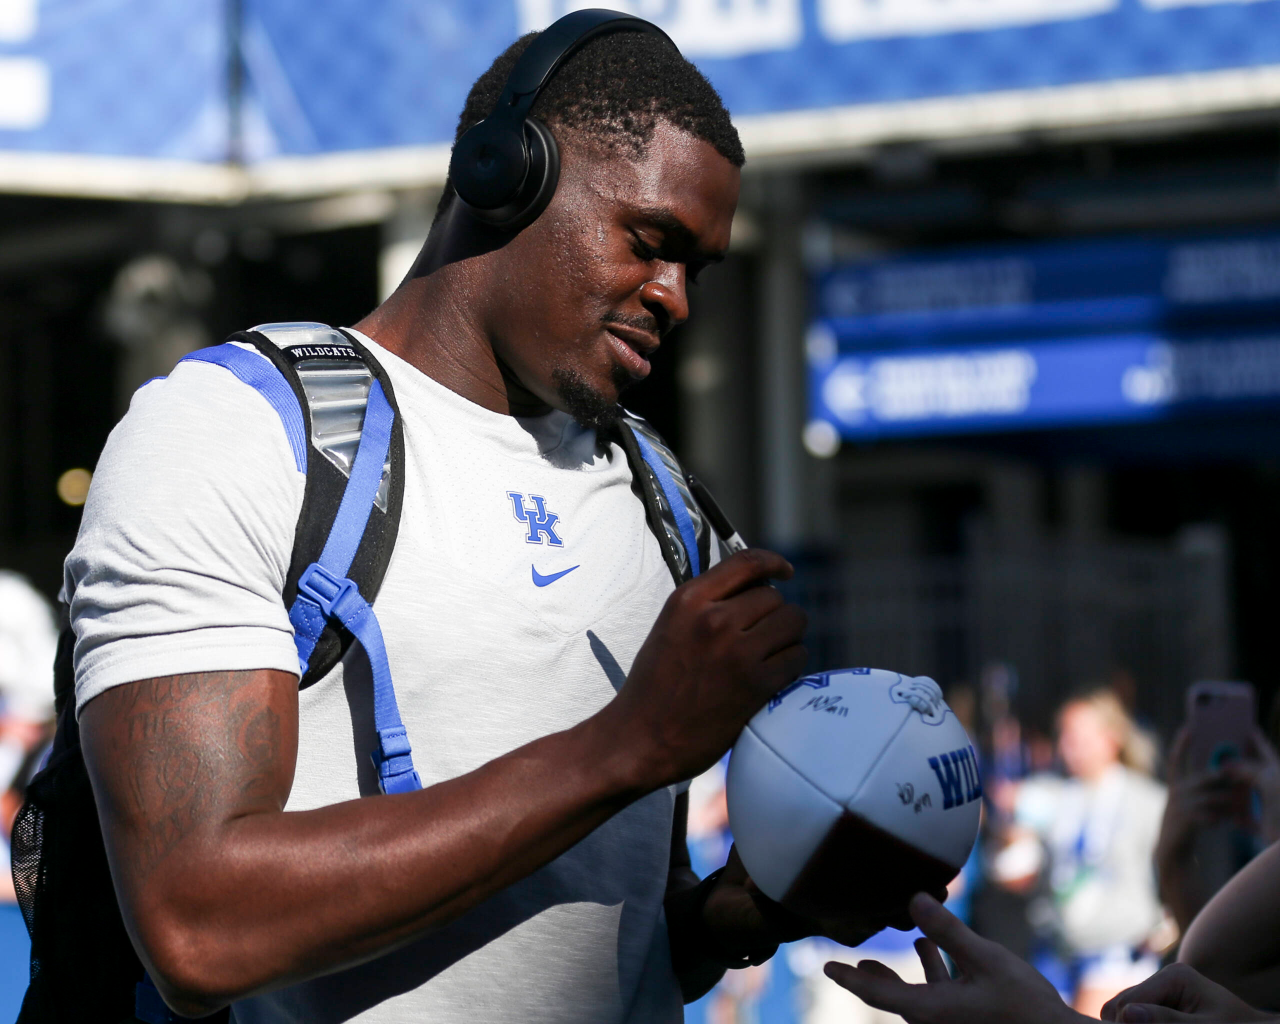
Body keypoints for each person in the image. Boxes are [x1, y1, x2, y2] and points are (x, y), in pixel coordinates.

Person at [66, 20, 901, 1024]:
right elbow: (197, 925)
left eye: (700, 268)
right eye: (650, 243)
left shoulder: (664, 501)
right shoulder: (237, 430)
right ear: (503, 175)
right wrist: (626, 745)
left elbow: (600, 930)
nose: (675, 298)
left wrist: (734, 917)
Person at [1001, 688, 1166, 1017]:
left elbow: (1175, 872)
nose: (1067, 747)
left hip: (1117, 952)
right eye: (1064, 736)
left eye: (1078, 737)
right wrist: (1012, 848)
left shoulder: (1149, 800)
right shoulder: (1048, 796)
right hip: (1056, 950)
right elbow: (1017, 868)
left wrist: (1164, 927)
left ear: (1111, 738)